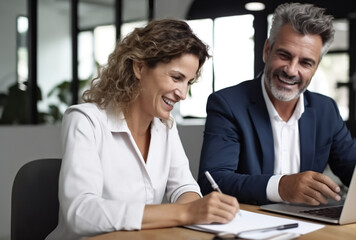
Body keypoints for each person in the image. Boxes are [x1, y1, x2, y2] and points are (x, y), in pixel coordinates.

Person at [46, 19, 239, 240]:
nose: (183, 94)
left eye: (188, 82)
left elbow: (183, 187)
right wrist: (185, 212)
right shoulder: (85, 120)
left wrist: (200, 209)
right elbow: (80, 213)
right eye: (176, 78)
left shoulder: (165, 126)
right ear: (139, 67)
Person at [198, 3, 356, 206]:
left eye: (305, 63)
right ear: (267, 50)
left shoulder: (325, 110)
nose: (292, 70)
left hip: (310, 227)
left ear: (316, 67)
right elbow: (212, 181)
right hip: (251, 227)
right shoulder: (228, 104)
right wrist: (281, 187)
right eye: (284, 55)